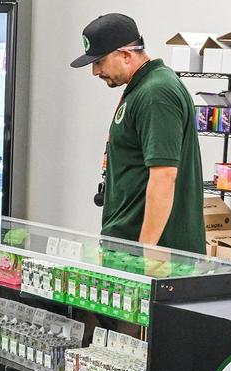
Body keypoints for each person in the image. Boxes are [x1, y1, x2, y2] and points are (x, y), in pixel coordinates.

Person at [71, 13, 205, 255]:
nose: (94, 71)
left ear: (125, 54)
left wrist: (147, 252)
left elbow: (164, 176)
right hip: (128, 247)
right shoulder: (143, 88)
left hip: (155, 257)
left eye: (99, 61)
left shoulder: (156, 93)